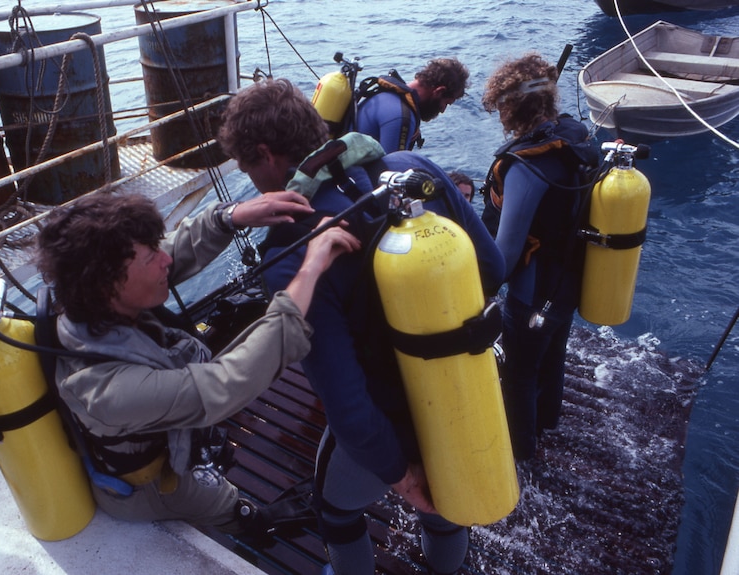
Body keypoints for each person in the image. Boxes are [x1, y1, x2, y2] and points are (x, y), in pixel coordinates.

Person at [218, 78, 505, 575]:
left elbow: (348, 408)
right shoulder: (413, 170)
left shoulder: (289, 253)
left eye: (247, 167)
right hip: (465, 387)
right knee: (447, 501)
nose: (255, 181)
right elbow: (493, 268)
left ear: (266, 155)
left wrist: (399, 476)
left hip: (388, 416)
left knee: (337, 510)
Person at [35, 191, 360, 534]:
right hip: (154, 487)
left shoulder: (87, 303)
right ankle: (251, 524)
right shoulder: (107, 391)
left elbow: (170, 251)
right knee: (219, 502)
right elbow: (228, 383)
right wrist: (311, 266)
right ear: (107, 285)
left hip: (159, 427)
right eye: (151, 258)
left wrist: (231, 215)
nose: (166, 261)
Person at [480, 52, 598, 461]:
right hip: (569, 280)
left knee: (519, 374)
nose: (500, 117)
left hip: (532, 293)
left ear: (513, 106)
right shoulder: (575, 138)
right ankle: (548, 423)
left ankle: (521, 457)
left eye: (501, 107)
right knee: (553, 356)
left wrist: (478, 291)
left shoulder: (525, 167)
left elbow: (507, 252)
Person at [355, 58, 469, 153]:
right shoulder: (402, 117)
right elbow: (389, 172)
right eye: (446, 103)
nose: (443, 110)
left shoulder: (387, 96)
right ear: (439, 91)